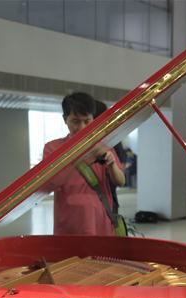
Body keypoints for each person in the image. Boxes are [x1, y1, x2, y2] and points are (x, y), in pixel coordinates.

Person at [42, 92, 125, 235]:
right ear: (65, 119)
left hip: (100, 221)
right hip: (69, 223)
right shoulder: (53, 148)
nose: (82, 127)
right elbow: (51, 184)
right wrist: (83, 157)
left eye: (87, 121)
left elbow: (121, 181)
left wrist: (112, 164)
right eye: (75, 121)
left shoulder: (103, 146)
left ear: (93, 118)